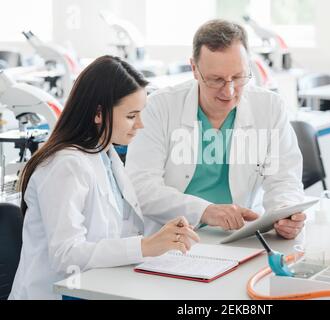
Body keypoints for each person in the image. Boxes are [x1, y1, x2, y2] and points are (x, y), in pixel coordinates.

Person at [9, 55, 199, 300]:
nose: (140, 124)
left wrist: (162, 237)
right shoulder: (64, 166)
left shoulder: (106, 156)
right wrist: (145, 246)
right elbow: (66, 255)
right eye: (132, 116)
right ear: (99, 113)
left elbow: (121, 230)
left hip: (100, 286)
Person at [126, 19, 306, 240]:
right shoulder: (158, 107)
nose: (229, 91)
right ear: (194, 69)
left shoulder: (270, 107)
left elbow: (284, 178)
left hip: (239, 237)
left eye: (238, 77)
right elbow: (141, 187)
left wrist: (285, 212)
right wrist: (205, 211)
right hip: (172, 239)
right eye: (216, 80)